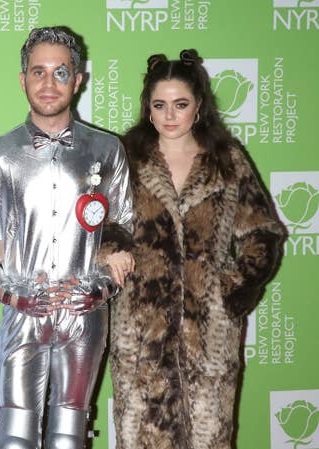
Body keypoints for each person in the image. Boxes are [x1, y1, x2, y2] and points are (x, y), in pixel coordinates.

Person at [110, 49, 287, 449]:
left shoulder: (227, 161)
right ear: (148, 110)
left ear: (199, 107)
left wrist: (231, 287)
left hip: (208, 335)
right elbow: (100, 227)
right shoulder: (124, 161)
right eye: (160, 105)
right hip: (140, 331)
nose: (170, 115)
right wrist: (113, 260)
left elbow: (265, 232)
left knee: (208, 438)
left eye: (180, 104)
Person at [0, 27, 134, 449]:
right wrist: (14, 296)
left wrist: (97, 291)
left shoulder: (107, 150)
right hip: (22, 314)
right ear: (22, 79)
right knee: (15, 435)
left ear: (77, 81)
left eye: (60, 73)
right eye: (38, 72)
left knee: (69, 435)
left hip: (86, 315)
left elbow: (123, 230)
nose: (48, 83)